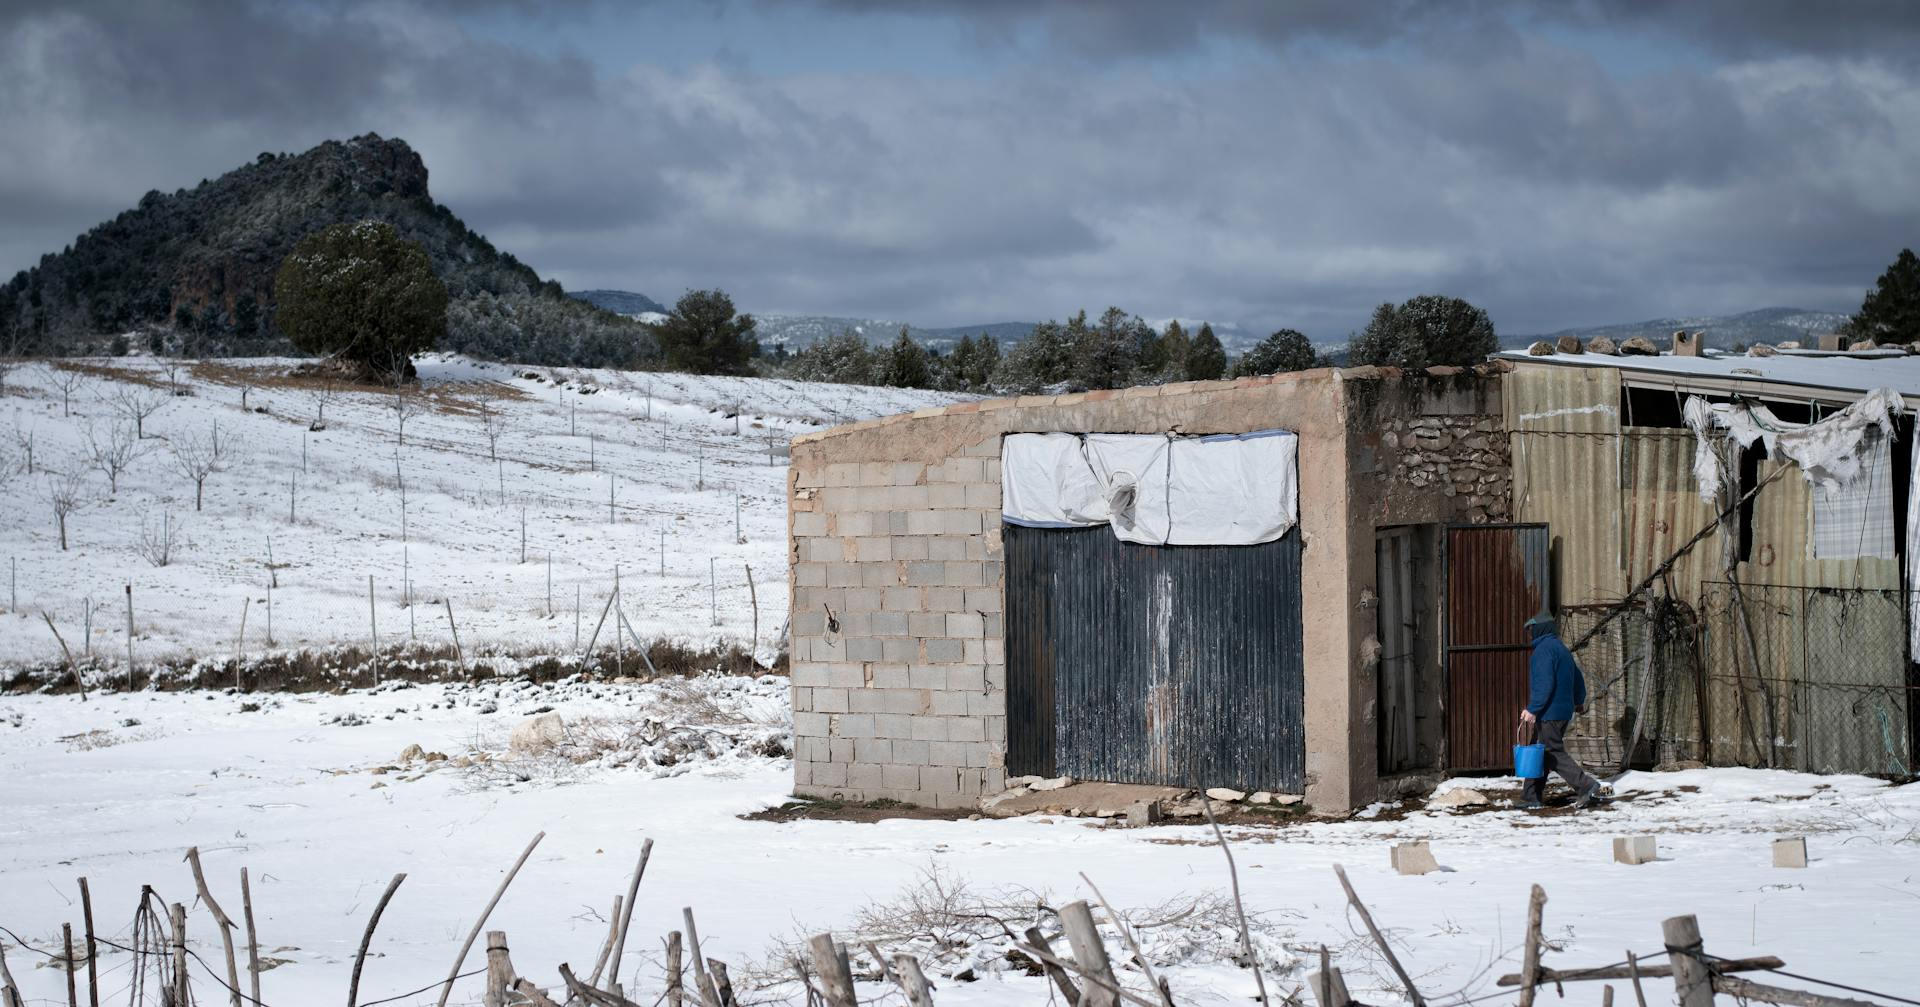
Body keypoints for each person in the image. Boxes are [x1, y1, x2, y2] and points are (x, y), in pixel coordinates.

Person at [1519, 614, 1606, 810]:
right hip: (1563, 711)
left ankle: (1586, 785)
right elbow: (1578, 678)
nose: (1530, 634)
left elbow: (1544, 684)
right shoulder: (1562, 649)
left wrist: (1533, 709)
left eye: (1531, 630)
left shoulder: (1542, 651)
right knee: (1539, 751)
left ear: (1540, 629)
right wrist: (1578, 701)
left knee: (1551, 751)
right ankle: (1531, 796)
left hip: (1550, 712)